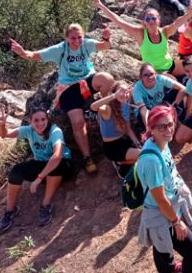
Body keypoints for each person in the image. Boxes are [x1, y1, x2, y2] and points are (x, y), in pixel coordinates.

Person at [10, 24, 114, 174]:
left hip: (87, 81)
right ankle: (87, 158)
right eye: (73, 38)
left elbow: (106, 46)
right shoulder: (61, 49)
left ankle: (110, 110)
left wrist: (106, 37)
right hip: (69, 89)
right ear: (66, 38)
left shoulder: (86, 44)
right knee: (78, 123)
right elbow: (35, 55)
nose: (77, 41)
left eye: (79, 37)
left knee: (106, 78)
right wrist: (22, 52)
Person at [136, 105, 192, 273]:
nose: (168, 130)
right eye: (161, 127)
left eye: (170, 124)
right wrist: (177, 222)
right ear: (151, 128)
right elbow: (160, 199)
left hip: (164, 206)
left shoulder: (161, 143)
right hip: (162, 211)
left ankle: (167, 270)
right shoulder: (151, 160)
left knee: (161, 242)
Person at [0, 108, 75, 232]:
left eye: (43, 119)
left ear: (48, 119)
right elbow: (4, 134)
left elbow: (57, 156)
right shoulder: (29, 130)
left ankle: (46, 205)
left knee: (55, 166)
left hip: (63, 165)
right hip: (41, 164)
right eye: (36, 120)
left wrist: (39, 178)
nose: (40, 123)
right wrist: (2, 126)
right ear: (30, 121)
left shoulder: (55, 131)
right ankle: (9, 211)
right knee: (16, 171)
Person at [92, 0, 192, 78]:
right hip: (154, 72)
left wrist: (189, 14)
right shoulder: (140, 34)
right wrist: (101, 6)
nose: (151, 21)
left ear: (158, 19)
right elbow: (119, 21)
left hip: (170, 66)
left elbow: (177, 23)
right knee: (172, 81)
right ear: (144, 22)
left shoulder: (165, 32)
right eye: (148, 19)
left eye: (153, 18)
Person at [90, 81, 142, 178]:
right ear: (114, 92)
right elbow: (93, 106)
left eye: (126, 91)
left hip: (124, 141)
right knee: (143, 156)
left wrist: (138, 144)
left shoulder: (125, 105)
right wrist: (114, 96)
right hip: (112, 147)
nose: (124, 94)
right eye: (121, 91)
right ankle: (120, 163)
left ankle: (122, 162)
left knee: (145, 153)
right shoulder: (108, 108)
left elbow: (128, 129)